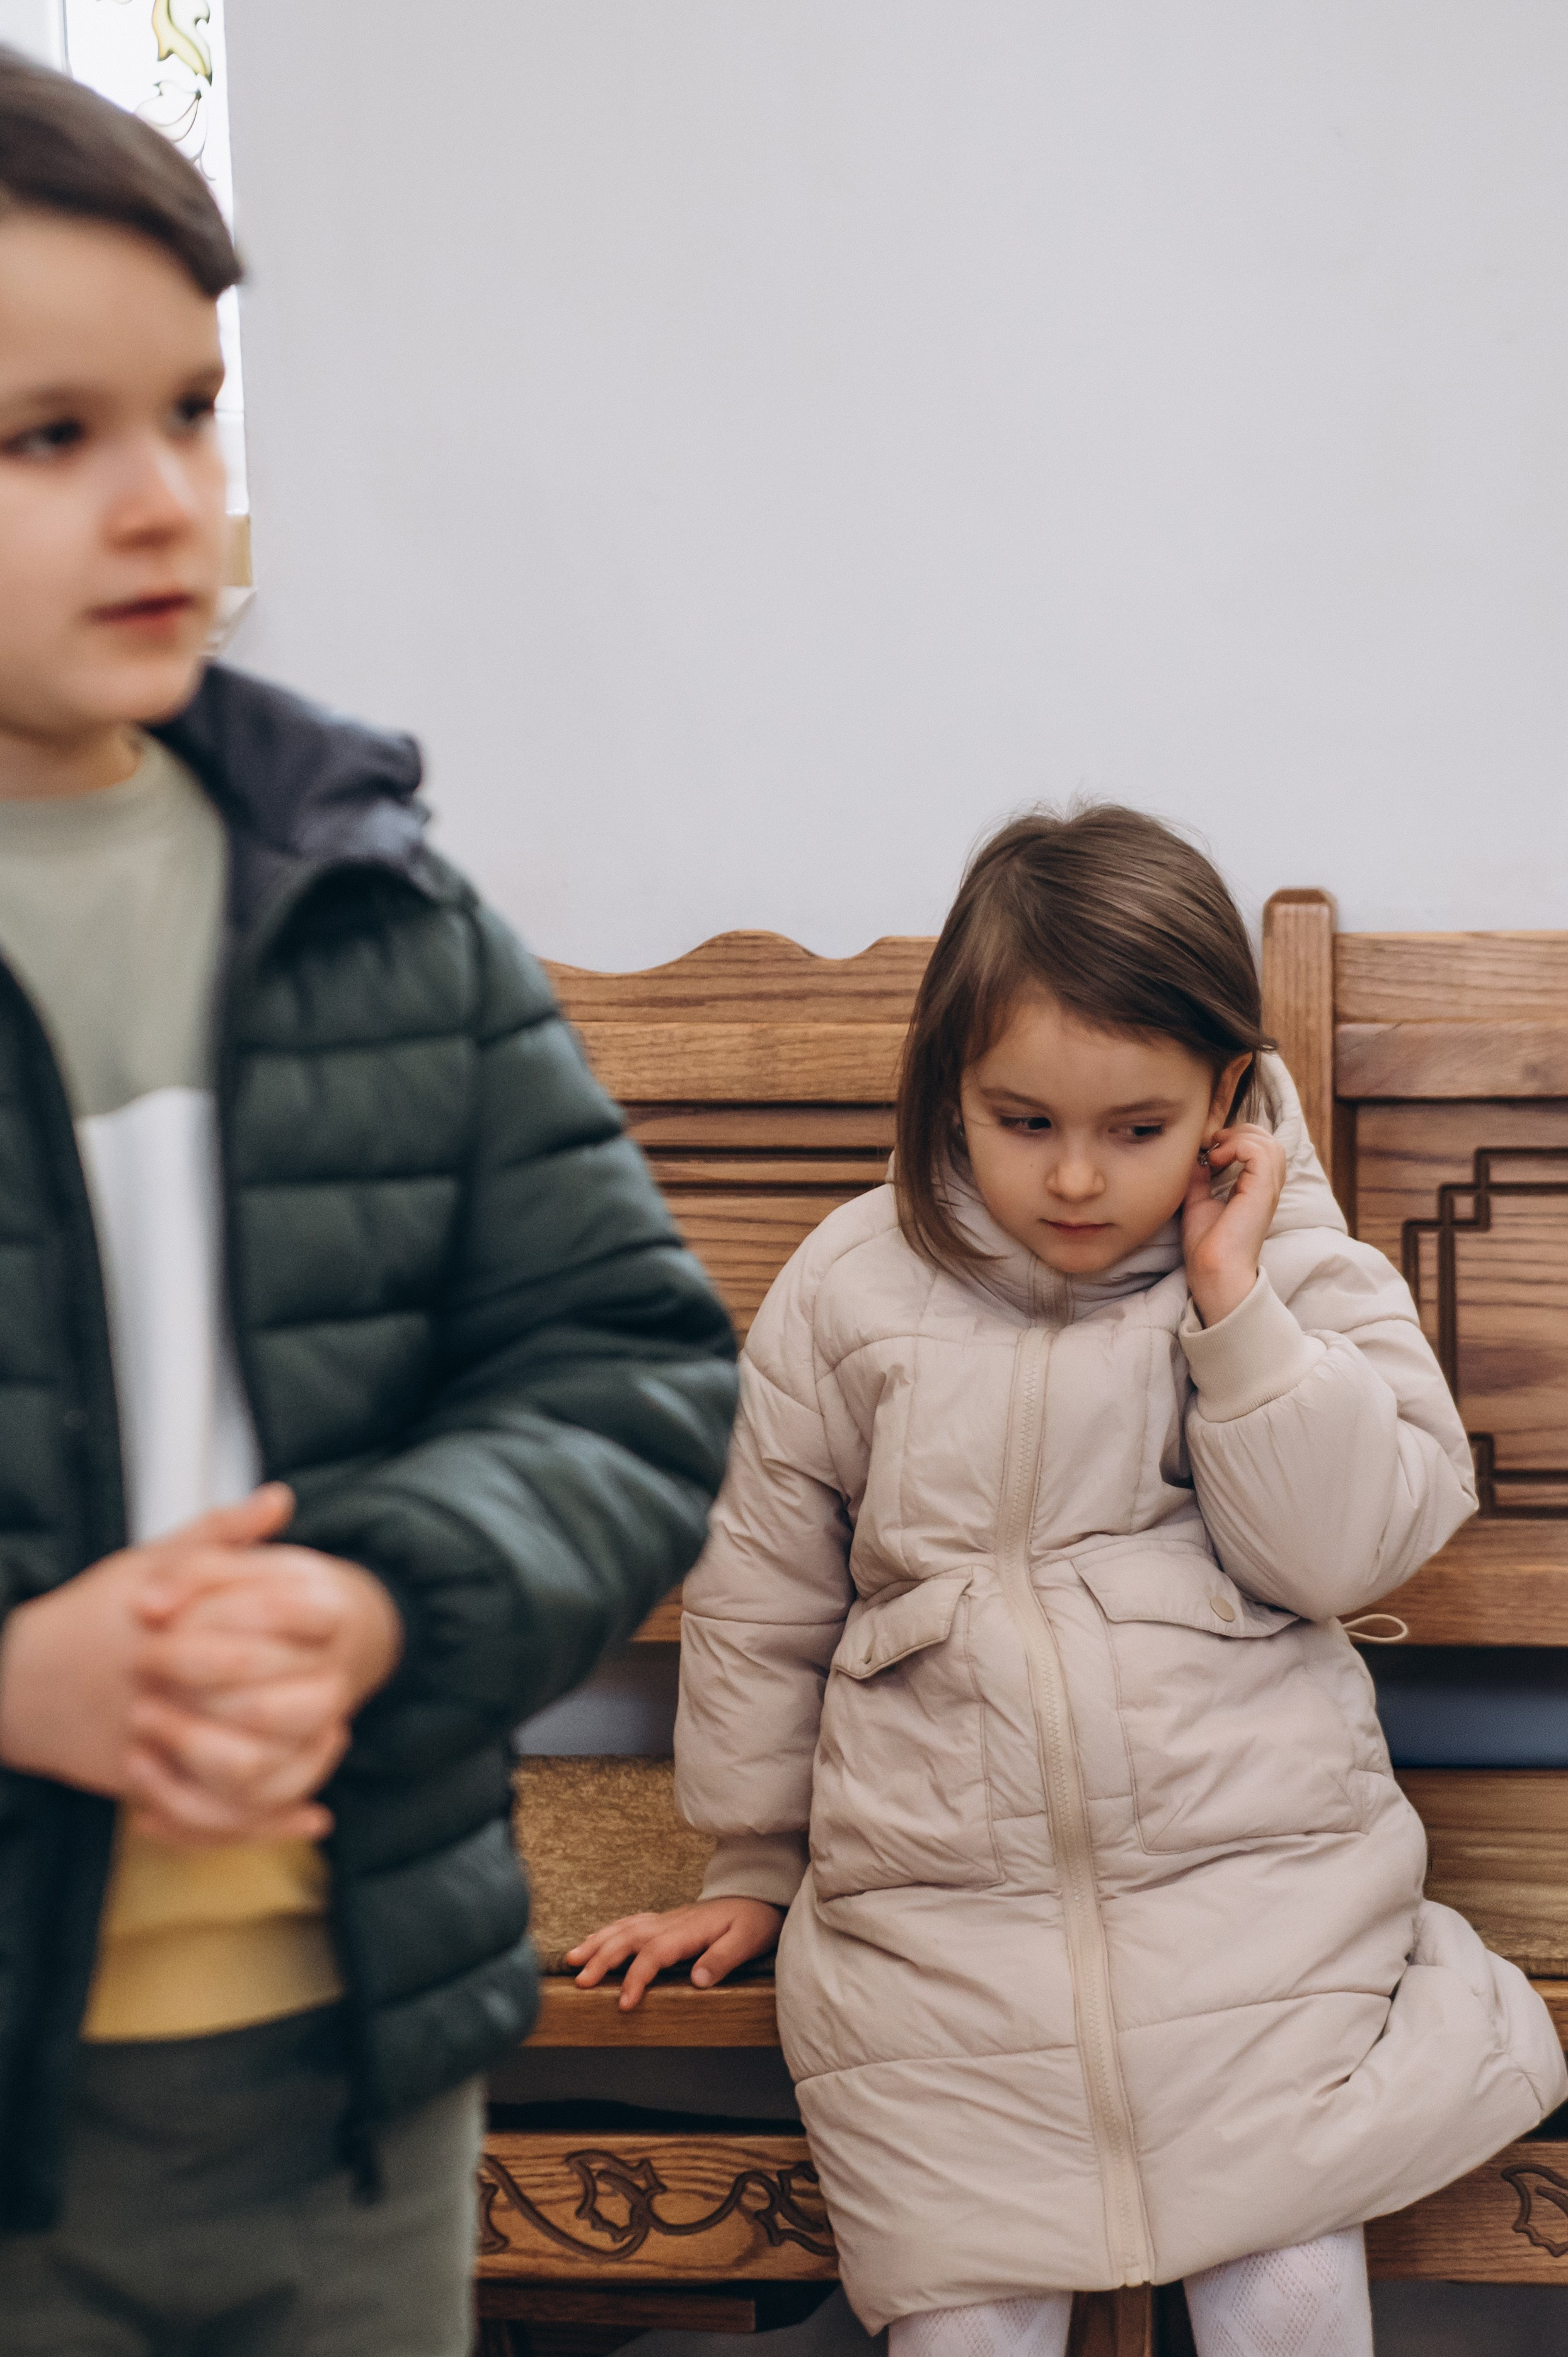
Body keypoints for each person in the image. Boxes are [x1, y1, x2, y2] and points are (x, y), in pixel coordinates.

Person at [0, 45, 737, 2356]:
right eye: (49, 436)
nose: (163, 498)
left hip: (351, 2087)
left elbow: (624, 1368)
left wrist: (380, 1597)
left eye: (192, 411)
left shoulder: (374, 906)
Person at [570, 806, 1567, 2357]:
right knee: (966, 2311)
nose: (1080, 1177)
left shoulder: (1294, 1271)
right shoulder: (847, 1287)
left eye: (1136, 1126)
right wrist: (753, 1865)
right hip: (938, 1931)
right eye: (1022, 1120)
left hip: (1256, 1900)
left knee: (1286, 2277)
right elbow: (763, 1591)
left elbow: (1346, 1547)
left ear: (1224, 1098)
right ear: (945, 1089)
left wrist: (1233, 1307)